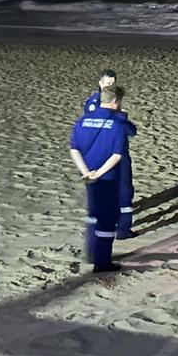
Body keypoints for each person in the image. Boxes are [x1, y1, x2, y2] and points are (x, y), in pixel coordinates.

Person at [69, 84, 131, 273]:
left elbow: (74, 149)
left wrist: (86, 172)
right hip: (108, 179)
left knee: (93, 213)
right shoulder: (118, 125)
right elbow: (117, 155)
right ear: (115, 101)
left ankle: (90, 252)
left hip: (89, 178)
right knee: (107, 219)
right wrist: (100, 173)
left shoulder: (83, 121)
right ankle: (102, 261)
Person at [83, 69, 138, 240]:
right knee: (119, 191)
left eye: (113, 82)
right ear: (100, 83)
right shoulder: (97, 104)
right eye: (107, 82)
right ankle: (119, 228)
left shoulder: (110, 103)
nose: (110, 85)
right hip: (110, 153)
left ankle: (118, 227)